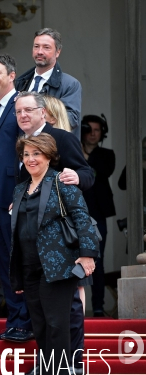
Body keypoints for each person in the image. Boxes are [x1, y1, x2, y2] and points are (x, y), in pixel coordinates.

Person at [14, 91, 95, 375]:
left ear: (43, 112)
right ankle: (50, 366)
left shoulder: (61, 138)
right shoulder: (20, 144)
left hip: (61, 248)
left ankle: (69, 366)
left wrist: (76, 177)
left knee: (64, 314)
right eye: (18, 111)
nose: (23, 115)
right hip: (33, 252)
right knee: (42, 317)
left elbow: (86, 176)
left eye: (28, 110)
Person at [0, 54, 33, 343]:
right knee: (3, 262)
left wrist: (22, 192)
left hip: (14, 197)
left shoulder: (20, 107)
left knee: (18, 262)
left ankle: (25, 322)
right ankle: (14, 321)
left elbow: (31, 151)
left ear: (11, 75)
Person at [15, 28, 82, 137]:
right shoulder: (20, 82)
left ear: (58, 52)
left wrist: (36, 117)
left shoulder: (70, 84)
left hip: (53, 149)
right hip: (23, 149)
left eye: (46, 47)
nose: (40, 51)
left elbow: (71, 120)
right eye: (36, 46)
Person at [80, 115, 116, 317]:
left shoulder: (106, 154)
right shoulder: (73, 151)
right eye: (89, 129)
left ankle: (99, 307)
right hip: (74, 214)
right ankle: (77, 308)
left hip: (98, 214)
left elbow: (103, 172)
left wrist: (85, 159)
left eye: (97, 130)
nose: (93, 134)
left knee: (97, 261)